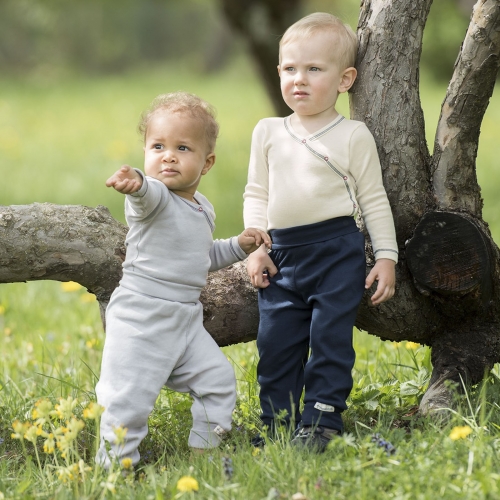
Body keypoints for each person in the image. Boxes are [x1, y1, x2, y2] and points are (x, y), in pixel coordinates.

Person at [243, 12, 398, 452]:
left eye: (314, 69)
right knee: (276, 343)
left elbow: (373, 200)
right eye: (290, 69)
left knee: (330, 339)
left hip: (336, 252)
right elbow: (257, 191)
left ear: (345, 79)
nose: (299, 80)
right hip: (283, 254)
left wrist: (386, 256)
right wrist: (254, 246)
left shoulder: (353, 135)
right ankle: (277, 421)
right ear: (278, 73)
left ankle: (322, 420)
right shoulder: (268, 131)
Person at [96, 91, 271, 468]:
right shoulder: (156, 198)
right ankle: (114, 472)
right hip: (141, 318)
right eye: (157, 146)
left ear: (206, 163)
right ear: (145, 152)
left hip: (185, 320)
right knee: (126, 400)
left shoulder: (201, 206)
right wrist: (136, 183)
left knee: (218, 382)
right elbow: (145, 195)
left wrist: (239, 246)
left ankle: (204, 458)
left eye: (182, 147)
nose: (168, 156)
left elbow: (201, 258)